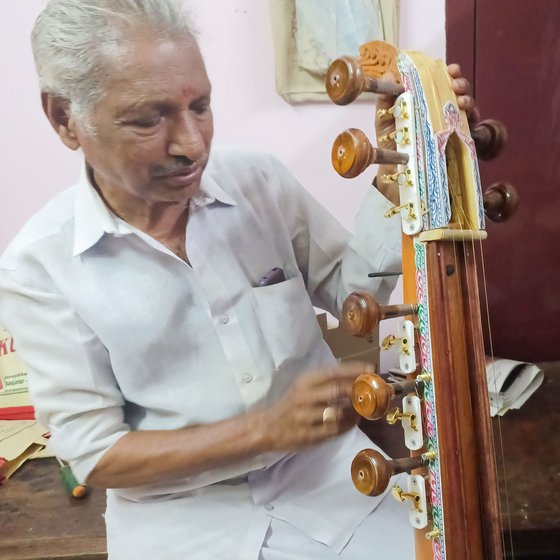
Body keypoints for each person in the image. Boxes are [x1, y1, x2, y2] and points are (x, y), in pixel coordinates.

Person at [0, 1, 476, 558]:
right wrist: (266, 431)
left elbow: (354, 302)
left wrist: (397, 183)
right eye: (148, 119)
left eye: (200, 106)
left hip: (332, 483)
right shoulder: (39, 266)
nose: (192, 144)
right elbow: (96, 454)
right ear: (64, 118)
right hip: (183, 522)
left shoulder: (259, 183)